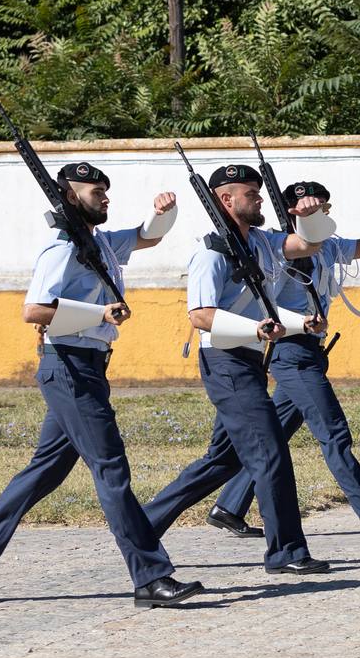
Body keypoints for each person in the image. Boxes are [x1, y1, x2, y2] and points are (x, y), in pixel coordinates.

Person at [0, 162, 202, 608]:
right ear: (68, 195)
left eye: (106, 190)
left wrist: (164, 212)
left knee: (46, 469)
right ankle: (150, 577)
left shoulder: (96, 241)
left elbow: (147, 236)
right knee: (112, 469)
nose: (104, 197)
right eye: (94, 191)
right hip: (69, 366)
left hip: (85, 367)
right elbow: (34, 310)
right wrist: (97, 315)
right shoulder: (61, 247)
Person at [140, 164, 331, 574]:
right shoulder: (210, 251)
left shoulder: (262, 241)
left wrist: (312, 215)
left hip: (247, 360)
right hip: (225, 363)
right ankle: (287, 552)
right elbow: (202, 315)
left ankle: (143, 524)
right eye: (251, 193)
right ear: (226, 200)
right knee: (270, 452)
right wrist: (259, 329)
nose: (260, 199)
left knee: (224, 461)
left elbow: (309, 245)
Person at [204, 180, 360, 543]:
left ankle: (229, 506)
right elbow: (265, 297)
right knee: (333, 431)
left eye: (322, 208)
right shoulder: (276, 248)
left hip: (311, 351)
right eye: (309, 209)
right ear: (291, 212)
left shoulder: (328, 246)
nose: (317, 213)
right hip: (290, 349)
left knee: (277, 434)